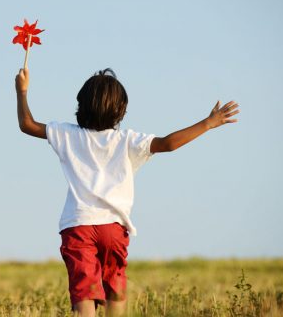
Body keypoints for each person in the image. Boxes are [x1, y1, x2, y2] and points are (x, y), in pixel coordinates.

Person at [15, 67, 239, 317]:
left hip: (78, 225)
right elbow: (168, 144)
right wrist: (208, 123)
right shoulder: (128, 140)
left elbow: (27, 124)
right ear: (121, 110)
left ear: (81, 106)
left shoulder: (67, 135)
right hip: (113, 227)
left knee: (85, 290)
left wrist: (22, 91)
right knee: (114, 286)